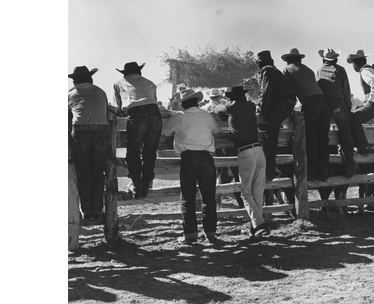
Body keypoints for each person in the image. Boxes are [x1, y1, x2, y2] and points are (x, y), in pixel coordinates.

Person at [162, 90, 220, 245]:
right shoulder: (206, 116)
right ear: (197, 102)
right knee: (208, 196)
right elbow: (217, 130)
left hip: (188, 157)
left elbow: (166, 131)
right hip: (206, 156)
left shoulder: (179, 117)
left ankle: (190, 235)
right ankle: (211, 233)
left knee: (188, 197)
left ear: (182, 104)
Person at [215, 86, 270, 239]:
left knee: (246, 193)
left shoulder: (231, 107)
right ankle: (257, 226)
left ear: (231, 98)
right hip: (259, 149)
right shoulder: (251, 106)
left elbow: (219, 110)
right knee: (257, 190)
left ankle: (259, 225)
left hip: (245, 151)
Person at [111, 61, 162, 199]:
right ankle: (145, 185)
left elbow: (120, 107)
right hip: (154, 113)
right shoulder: (150, 83)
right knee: (150, 152)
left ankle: (136, 185)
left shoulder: (119, 82)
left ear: (125, 73)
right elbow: (154, 101)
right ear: (139, 72)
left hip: (136, 113)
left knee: (133, 152)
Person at [68, 65, 109, 224]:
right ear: (90, 79)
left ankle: (87, 211)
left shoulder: (70, 94)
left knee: (84, 173)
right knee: (98, 173)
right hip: (100, 132)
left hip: (81, 133)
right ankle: (97, 210)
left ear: (75, 81)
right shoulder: (100, 92)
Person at [282, 48, 331, 182]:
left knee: (311, 139)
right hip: (323, 102)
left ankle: (311, 173)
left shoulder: (287, 70)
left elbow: (288, 91)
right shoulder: (308, 69)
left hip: (309, 102)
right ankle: (323, 173)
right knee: (323, 139)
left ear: (288, 60)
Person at [256, 50, 297, 181]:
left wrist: (262, 109)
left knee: (270, 134)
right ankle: (270, 167)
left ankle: (270, 169)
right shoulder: (274, 70)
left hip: (282, 103)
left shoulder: (267, 71)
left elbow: (266, 91)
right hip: (286, 102)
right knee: (272, 131)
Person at [316, 47, 357, 177]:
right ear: (336, 59)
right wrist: (348, 107)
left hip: (324, 107)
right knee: (345, 135)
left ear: (323, 59)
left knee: (322, 138)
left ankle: (323, 171)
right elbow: (346, 90)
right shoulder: (339, 69)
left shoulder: (319, 70)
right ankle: (350, 167)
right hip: (338, 106)